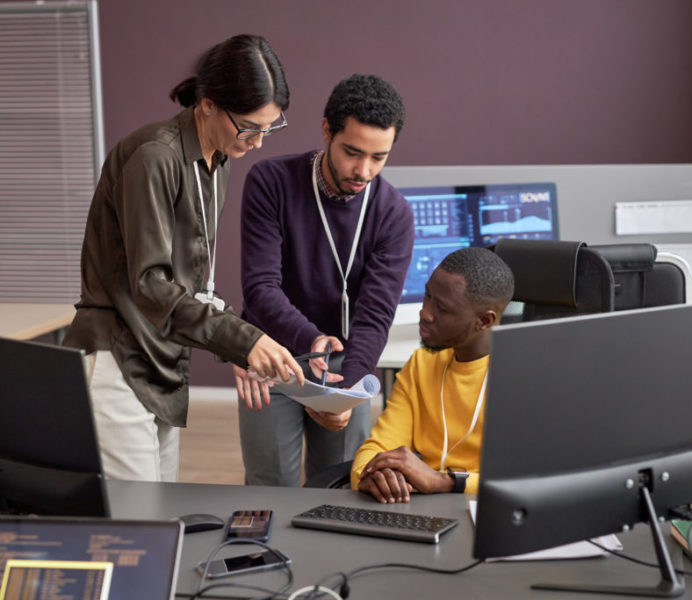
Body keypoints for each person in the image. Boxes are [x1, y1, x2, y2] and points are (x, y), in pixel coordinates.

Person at [63, 34, 305, 482]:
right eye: (250, 127)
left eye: (270, 128)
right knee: (138, 529)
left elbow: (191, 283)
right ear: (208, 104)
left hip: (162, 357)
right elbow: (151, 284)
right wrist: (240, 339)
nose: (258, 142)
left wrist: (239, 345)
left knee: (162, 517)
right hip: (119, 357)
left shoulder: (216, 160)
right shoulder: (155, 157)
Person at [235, 74, 414, 487]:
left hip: (345, 363)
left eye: (379, 157)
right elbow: (261, 288)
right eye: (353, 152)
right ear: (326, 131)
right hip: (272, 354)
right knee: (270, 485)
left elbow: (374, 316)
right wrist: (312, 338)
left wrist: (348, 390)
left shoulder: (394, 214)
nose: (363, 170)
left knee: (340, 486)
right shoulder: (270, 182)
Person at [351, 247, 514, 503]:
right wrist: (373, 475)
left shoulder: (521, 376)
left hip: (490, 514)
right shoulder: (421, 364)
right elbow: (376, 448)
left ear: (484, 321)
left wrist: (444, 482)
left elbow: (527, 480)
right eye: (427, 296)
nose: (425, 313)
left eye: (443, 309)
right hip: (419, 507)